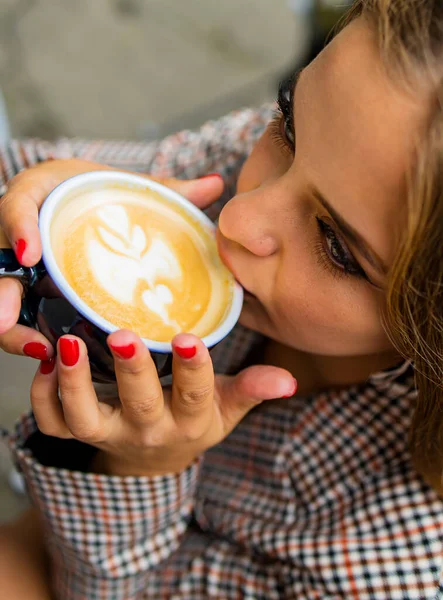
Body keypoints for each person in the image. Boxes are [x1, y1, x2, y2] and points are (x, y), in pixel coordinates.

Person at [1, 0, 443, 597]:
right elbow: (26, 179)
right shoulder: (327, 146)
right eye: (287, 123)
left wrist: (141, 469)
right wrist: (45, 201)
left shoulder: (395, 563)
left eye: (337, 247)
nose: (235, 216)